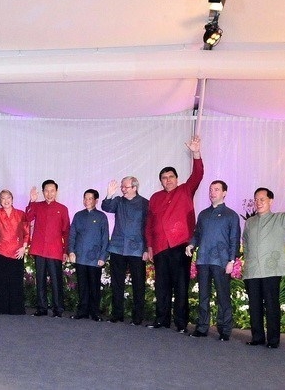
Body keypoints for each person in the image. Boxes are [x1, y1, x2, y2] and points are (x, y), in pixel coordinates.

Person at [145, 135, 203, 333]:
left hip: (180, 246)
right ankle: (161, 319)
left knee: (180, 285)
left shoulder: (185, 190)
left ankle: (180, 323)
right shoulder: (155, 197)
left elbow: (198, 175)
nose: (168, 180)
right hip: (160, 247)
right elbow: (149, 224)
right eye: (164, 178)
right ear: (160, 181)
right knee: (161, 285)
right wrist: (150, 246)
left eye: (171, 177)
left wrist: (196, 153)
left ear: (177, 179)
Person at [242, 180, 285, 348]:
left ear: (271, 201)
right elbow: (246, 243)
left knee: (271, 305)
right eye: (256, 199)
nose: (258, 202)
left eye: (262, 199)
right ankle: (257, 337)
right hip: (253, 271)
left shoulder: (281, 219)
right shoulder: (250, 222)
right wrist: (247, 262)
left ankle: (273, 340)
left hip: (271, 270)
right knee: (254, 305)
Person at [185, 180, 240, 341]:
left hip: (221, 261)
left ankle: (225, 329)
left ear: (224, 193)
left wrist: (231, 260)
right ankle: (202, 327)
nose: (212, 193)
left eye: (216, 189)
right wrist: (191, 244)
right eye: (211, 190)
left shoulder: (231, 215)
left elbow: (234, 239)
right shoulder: (203, 214)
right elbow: (197, 234)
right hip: (203, 259)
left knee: (223, 296)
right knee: (203, 296)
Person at [101, 177, 149, 325]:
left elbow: (148, 227)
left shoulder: (145, 203)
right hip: (118, 247)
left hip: (137, 249)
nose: (122, 189)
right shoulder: (118, 201)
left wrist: (147, 248)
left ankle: (137, 317)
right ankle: (117, 314)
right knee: (117, 283)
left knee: (138, 284)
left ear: (134, 187)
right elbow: (106, 207)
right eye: (122, 187)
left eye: (125, 187)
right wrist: (109, 194)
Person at [26, 180, 70, 317]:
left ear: (56, 192)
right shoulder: (37, 206)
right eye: (46, 191)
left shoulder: (62, 208)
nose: (49, 194)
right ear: (43, 192)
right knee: (40, 280)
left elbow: (66, 231)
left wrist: (66, 251)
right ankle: (42, 308)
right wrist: (32, 201)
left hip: (55, 250)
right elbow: (27, 217)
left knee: (56, 281)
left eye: (52, 191)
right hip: (39, 249)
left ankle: (58, 309)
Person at [0, 189, 29, 315]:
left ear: (12, 199)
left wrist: (24, 247)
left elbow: (26, 232)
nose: (6, 200)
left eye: (8, 198)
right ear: (0, 201)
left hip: (17, 252)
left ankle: (15, 309)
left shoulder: (20, 214)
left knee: (15, 281)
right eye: (3, 198)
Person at [68, 189, 109, 322]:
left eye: (90, 198)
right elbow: (72, 235)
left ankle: (95, 312)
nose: (87, 201)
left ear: (96, 201)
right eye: (85, 198)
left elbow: (105, 238)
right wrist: (71, 251)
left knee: (94, 286)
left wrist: (103, 257)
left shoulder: (101, 216)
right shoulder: (78, 215)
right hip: (80, 256)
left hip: (95, 258)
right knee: (82, 286)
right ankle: (82, 311)